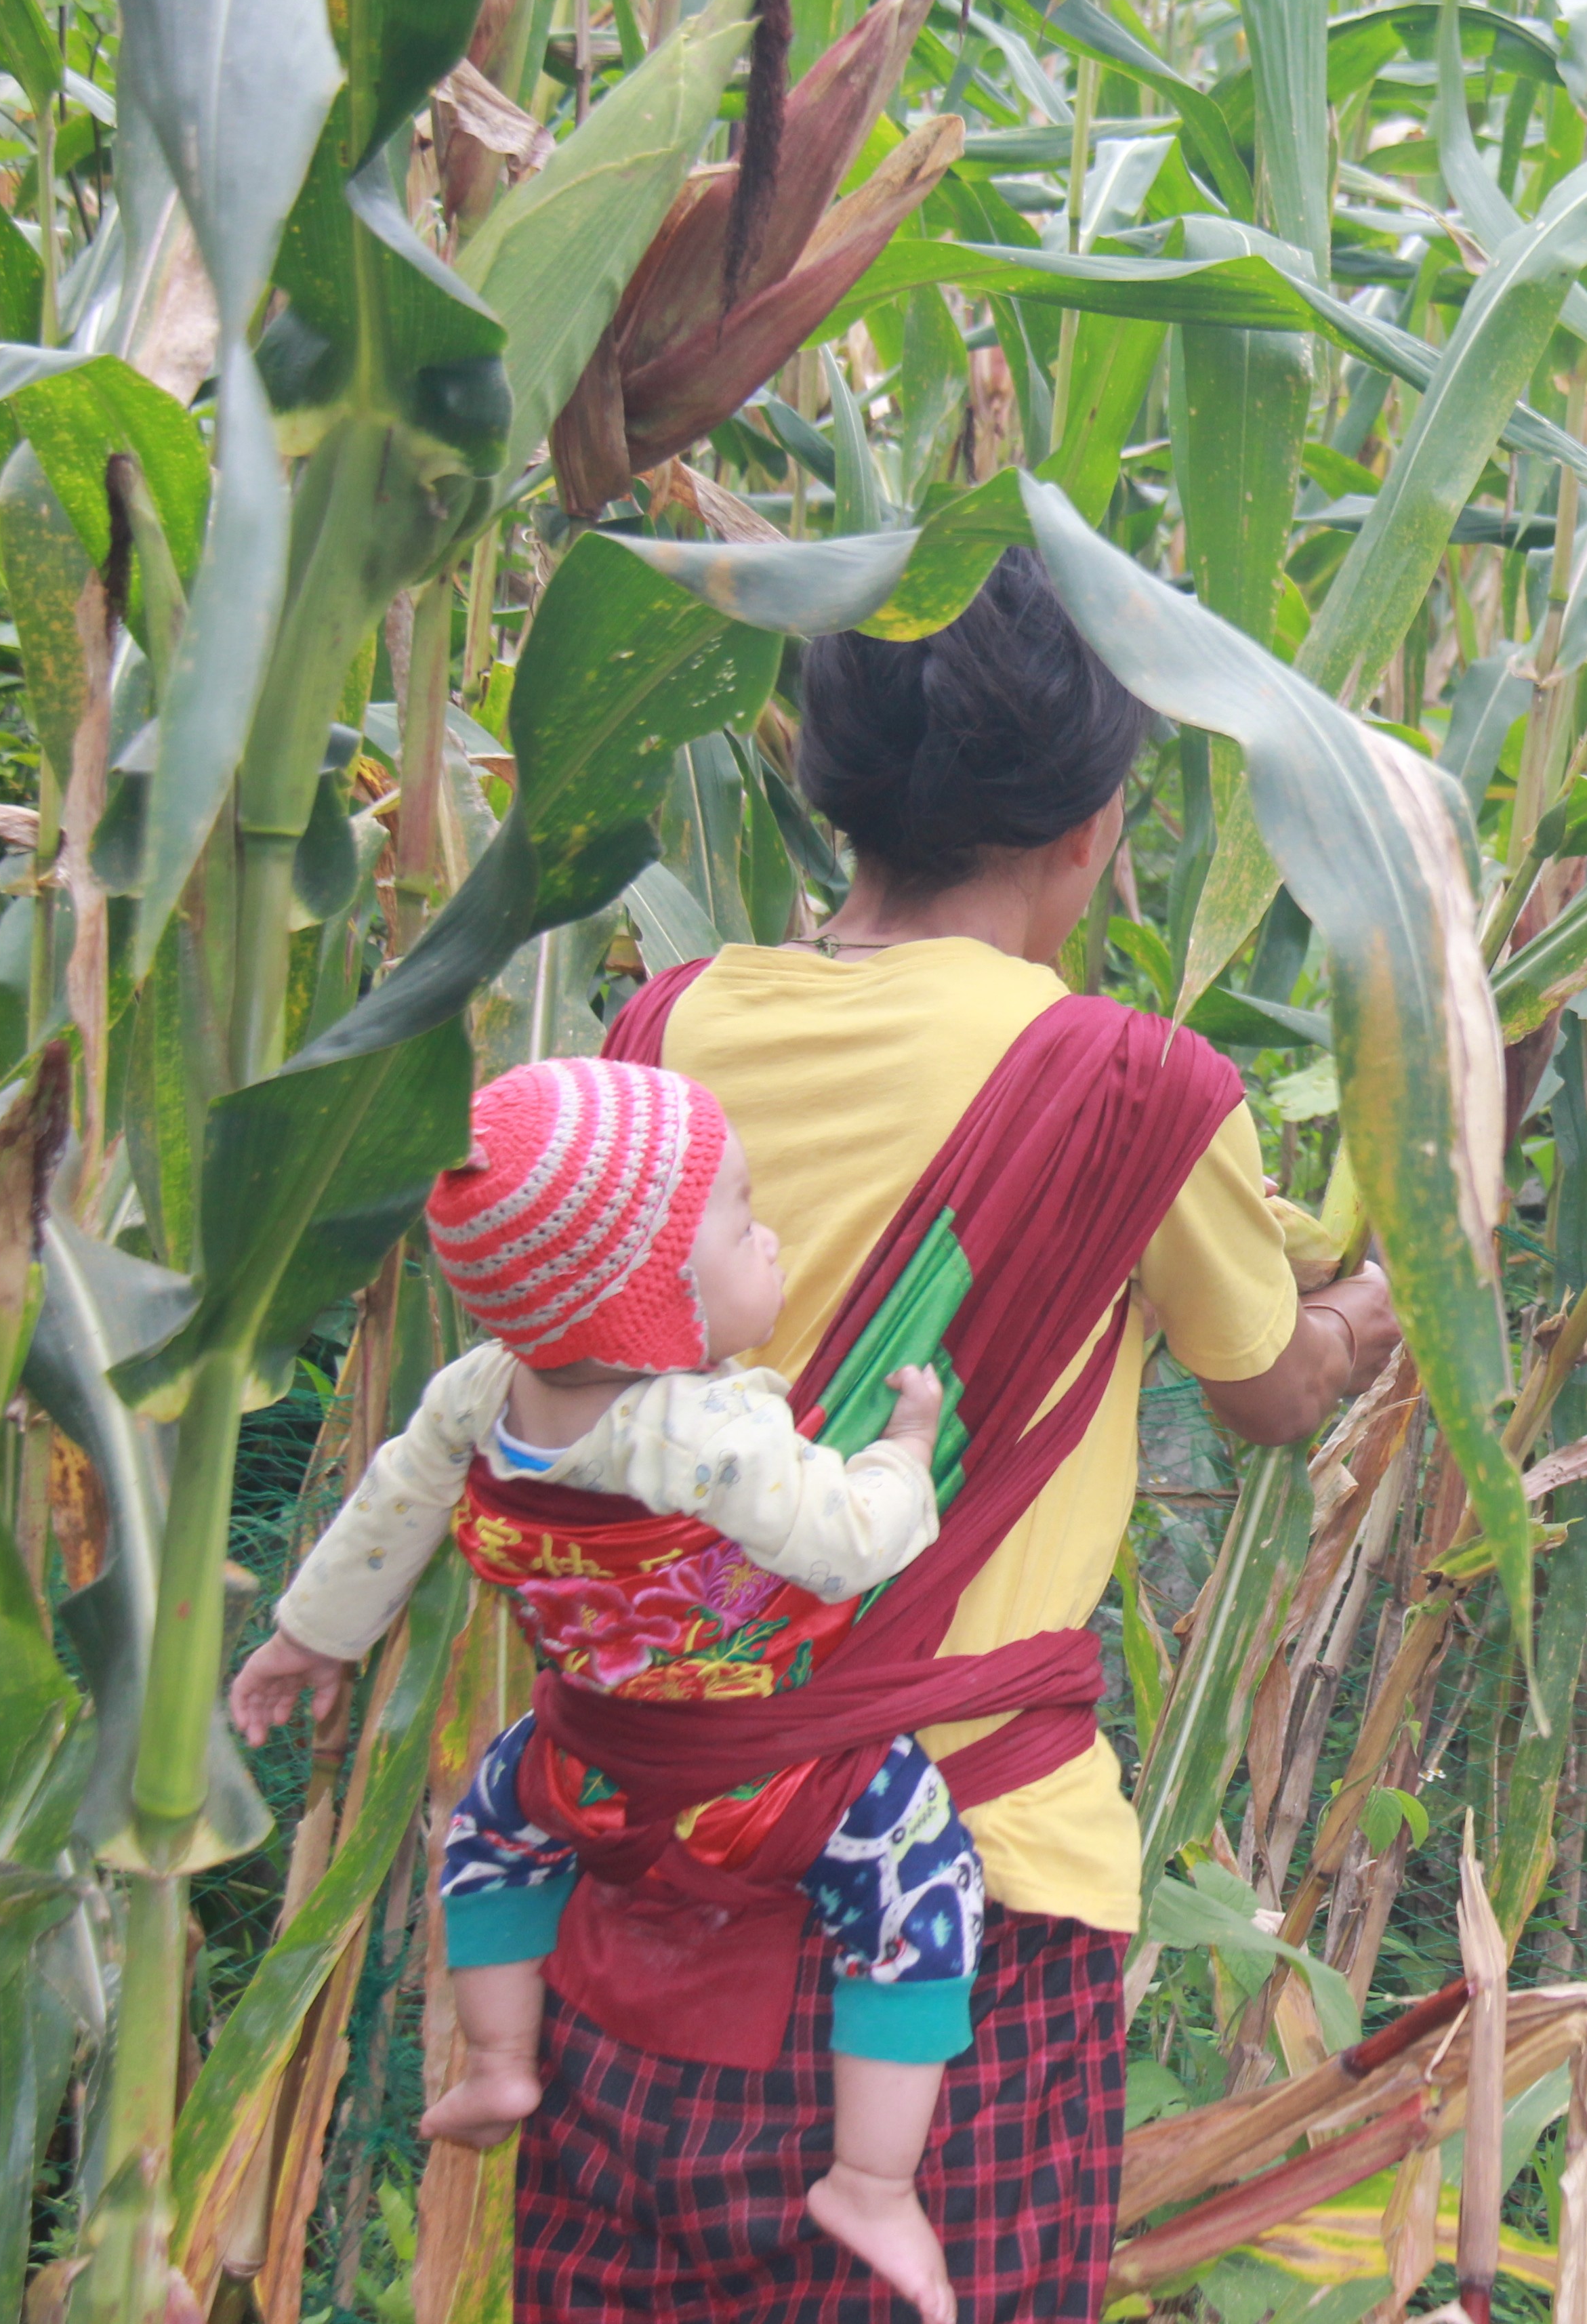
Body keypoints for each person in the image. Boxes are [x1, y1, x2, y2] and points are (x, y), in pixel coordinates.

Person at [393, 546, 1389, 2323]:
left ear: (821, 783)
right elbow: (1275, 1392)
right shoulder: (1131, 1088)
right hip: (958, 1911)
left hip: (642, 1876)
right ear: (1093, 824)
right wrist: (1388, 1308)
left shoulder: (664, 1035)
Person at [231, 1057, 977, 2321]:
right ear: (651, 1308)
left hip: (579, 1756)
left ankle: (502, 2058)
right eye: (743, 1225)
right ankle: (870, 2177)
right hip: (767, 1769)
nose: (772, 1237)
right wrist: (906, 1450)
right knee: (919, 1890)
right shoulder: (702, 1435)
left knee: (488, 1839)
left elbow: (393, 1512)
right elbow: (848, 1544)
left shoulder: (481, 1396)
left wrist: (311, 1637)